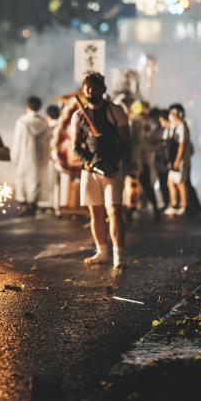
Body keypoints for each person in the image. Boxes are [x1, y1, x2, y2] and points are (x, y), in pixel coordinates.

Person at [71, 72, 129, 268]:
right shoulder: (78, 115)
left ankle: (118, 255)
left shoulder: (116, 111)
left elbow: (125, 142)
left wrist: (112, 164)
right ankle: (102, 252)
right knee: (95, 212)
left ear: (103, 89)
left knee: (114, 211)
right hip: (90, 171)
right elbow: (76, 146)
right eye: (87, 87)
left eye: (94, 87)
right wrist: (89, 161)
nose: (90, 90)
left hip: (112, 170)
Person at [11, 96, 50, 216]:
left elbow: (17, 141)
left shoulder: (22, 122)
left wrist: (14, 157)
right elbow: (48, 142)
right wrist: (46, 157)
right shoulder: (44, 123)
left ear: (27, 106)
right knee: (35, 181)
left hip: (23, 156)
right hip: (38, 157)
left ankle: (23, 205)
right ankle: (33, 206)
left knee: (22, 180)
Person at [164, 103, 192, 217]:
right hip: (173, 158)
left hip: (179, 159)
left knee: (180, 183)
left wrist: (177, 160)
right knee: (170, 182)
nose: (172, 115)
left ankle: (184, 205)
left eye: (174, 113)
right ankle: (174, 204)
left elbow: (182, 145)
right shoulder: (173, 126)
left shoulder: (181, 126)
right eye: (171, 113)